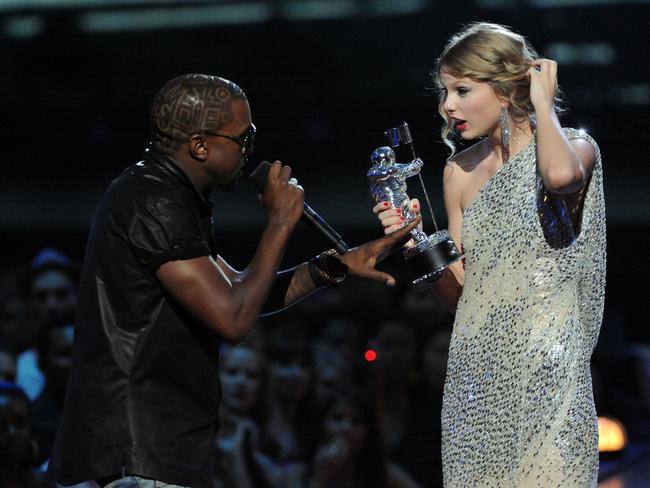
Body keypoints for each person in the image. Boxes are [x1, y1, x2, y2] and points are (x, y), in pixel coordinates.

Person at [47, 73, 419, 488]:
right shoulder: (152, 200)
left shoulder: (168, 196)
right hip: (133, 456)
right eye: (243, 138)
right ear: (200, 145)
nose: (249, 150)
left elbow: (243, 291)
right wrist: (279, 222)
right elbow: (233, 319)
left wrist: (331, 267)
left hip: (150, 452)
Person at [373, 23, 605, 487]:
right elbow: (462, 297)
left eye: (461, 89)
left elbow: (559, 178)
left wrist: (541, 102)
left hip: (550, 376)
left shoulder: (574, 146)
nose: (447, 106)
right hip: (478, 382)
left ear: (504, 89)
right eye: (444, 92)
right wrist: (415, 243)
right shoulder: (458, 172)